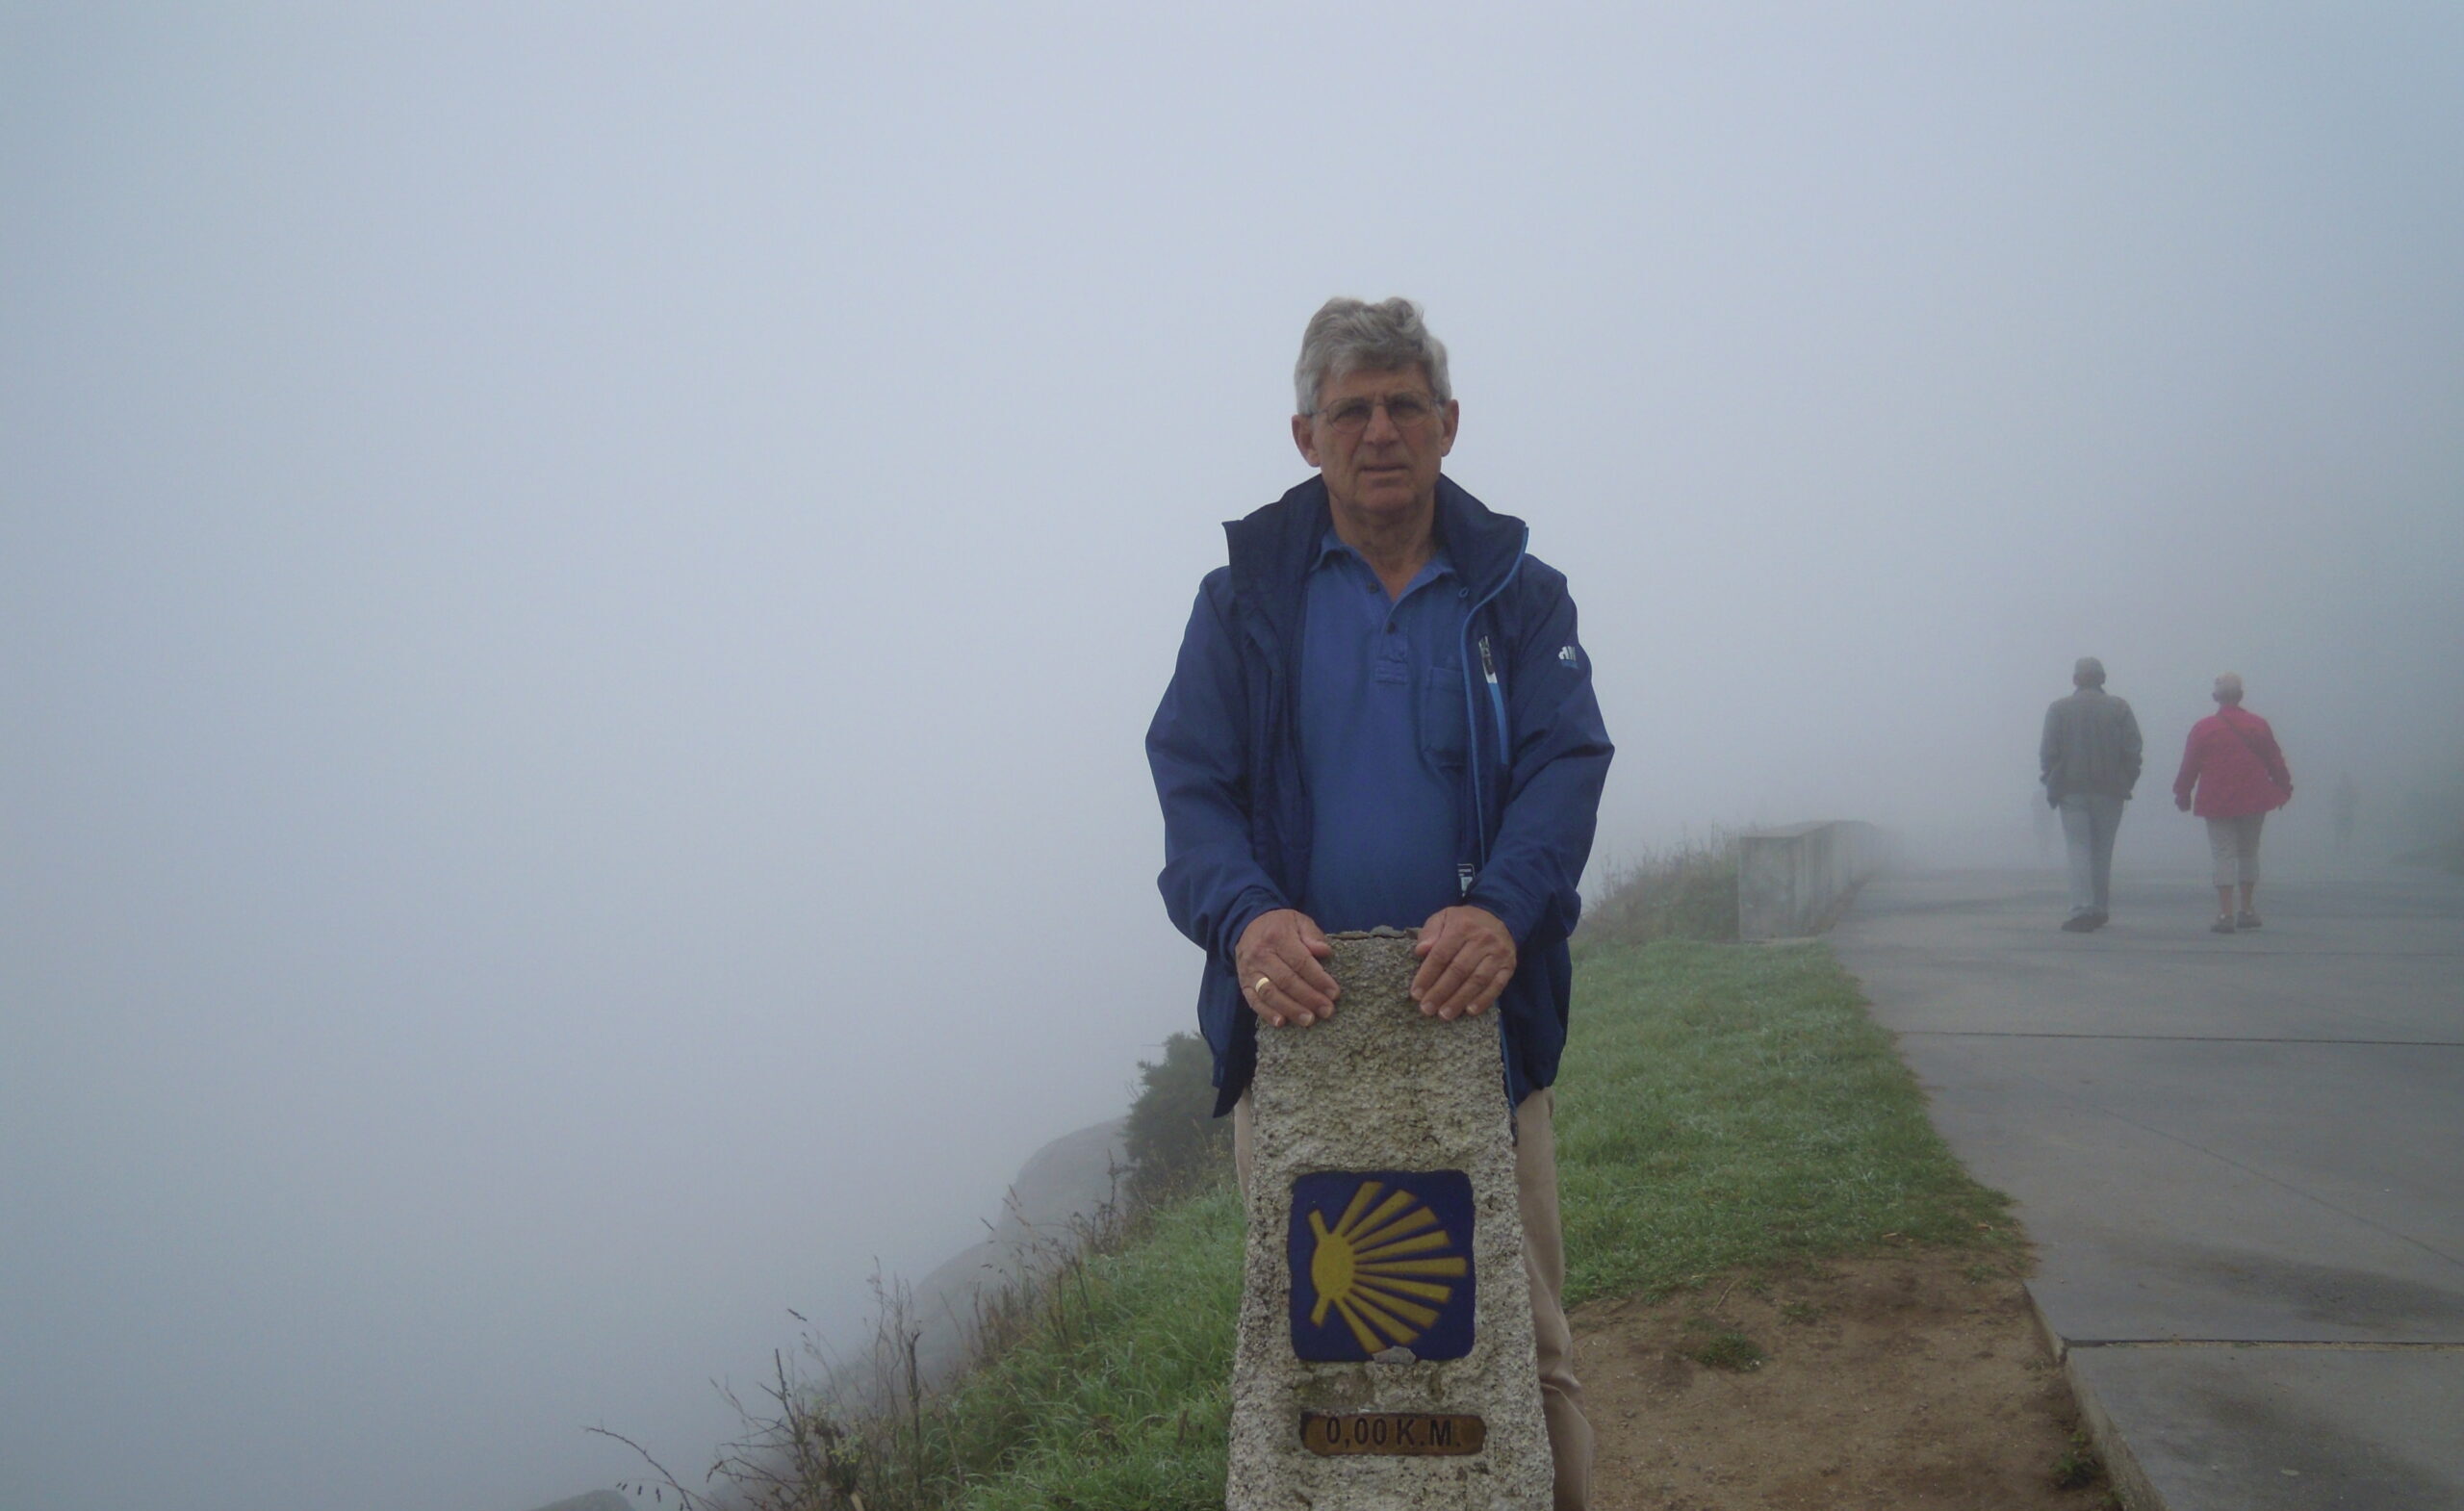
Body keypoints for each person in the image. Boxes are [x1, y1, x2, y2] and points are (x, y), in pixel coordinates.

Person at [1146, 296, 1613, 1508]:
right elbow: (1192, 787)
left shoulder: (1517, 592)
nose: (1380, 431)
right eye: (1349, 409)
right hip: (1300, 1036)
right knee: (1322, 1368)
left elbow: (1567, 765)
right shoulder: (1243, 599)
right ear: (1305, 435)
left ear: (1449, 424)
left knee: (1527, 1349)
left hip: (1485, 1033)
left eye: (1405, 404)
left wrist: (1504, 913)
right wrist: (1248, 918)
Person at [2173, 672, 2293, 933]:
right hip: (2253, 797)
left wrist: (2182, 793)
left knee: (2223, 854)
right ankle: (2247, 909)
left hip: (2216, 800)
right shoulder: (2258, 725)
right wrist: (2284, 788)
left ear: (2215, 697)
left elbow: (2189, 765)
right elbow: (2275, 760)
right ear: (2241, 695)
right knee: (2249, 851)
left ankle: (2226, 913)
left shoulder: (2203, 728)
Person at [2039, 656, 2143, 932]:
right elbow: (2133, 750)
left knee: (2079, 849)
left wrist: (2051, 778)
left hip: (2071, 790)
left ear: (2075, 679)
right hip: (2110, 790)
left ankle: (2082, 909)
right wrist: (2126, 780)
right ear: (2103, 678)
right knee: (2102, 850)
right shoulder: (2119, 708)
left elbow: (2049, 751)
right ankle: (2099, 907)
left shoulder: (2059, 710)